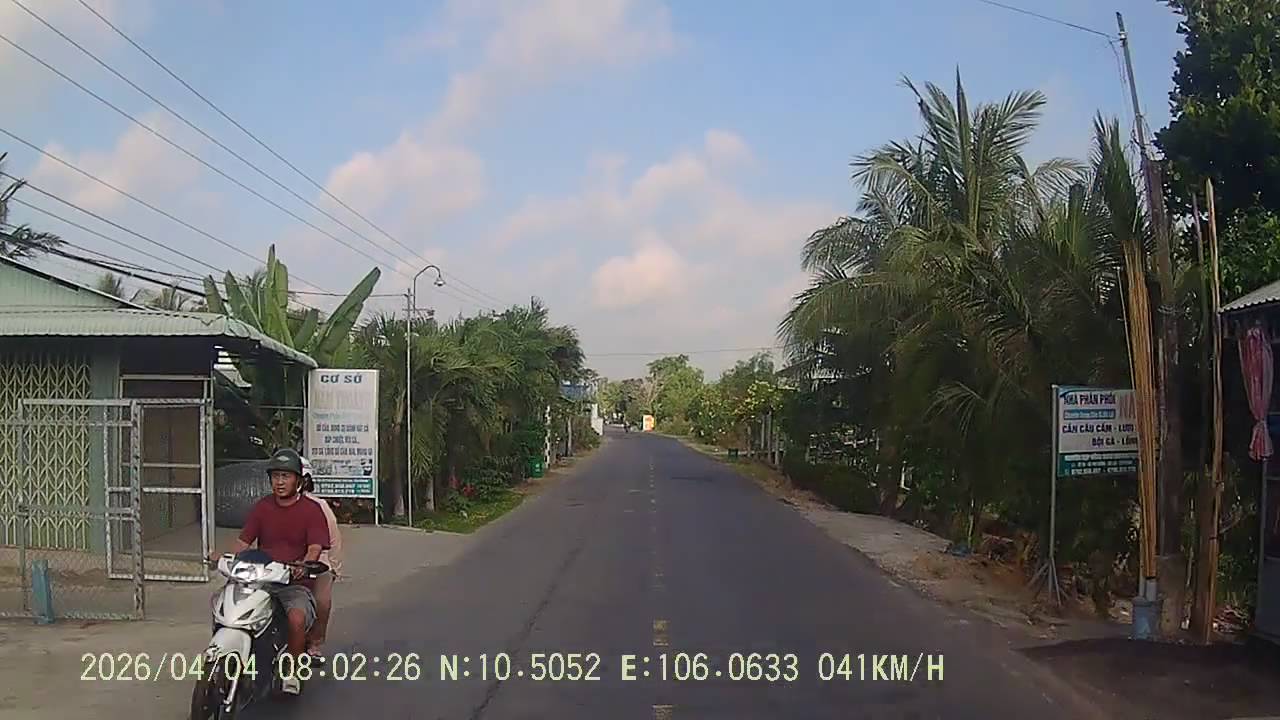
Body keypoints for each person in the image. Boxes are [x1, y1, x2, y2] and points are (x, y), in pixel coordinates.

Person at [209, 448, 329, 695]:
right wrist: (224, 557)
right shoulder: (262, 507)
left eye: (286, 476)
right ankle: (222, 654)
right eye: (275, 476)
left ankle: (292, 671)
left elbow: (315, 547)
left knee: (296, 619)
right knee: (221, 604)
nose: (280, 482)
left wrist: (304, 565)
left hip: (292, 581)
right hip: (260, 577)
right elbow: (243, 542)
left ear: (298, 480)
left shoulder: (312, 510)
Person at [299, 456, 342, 661]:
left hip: (318, 563)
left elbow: (334, 540)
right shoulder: (270, 505)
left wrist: (333, 568)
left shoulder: (319, 506)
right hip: (281, 563)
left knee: (322, 602)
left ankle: (315, 642)